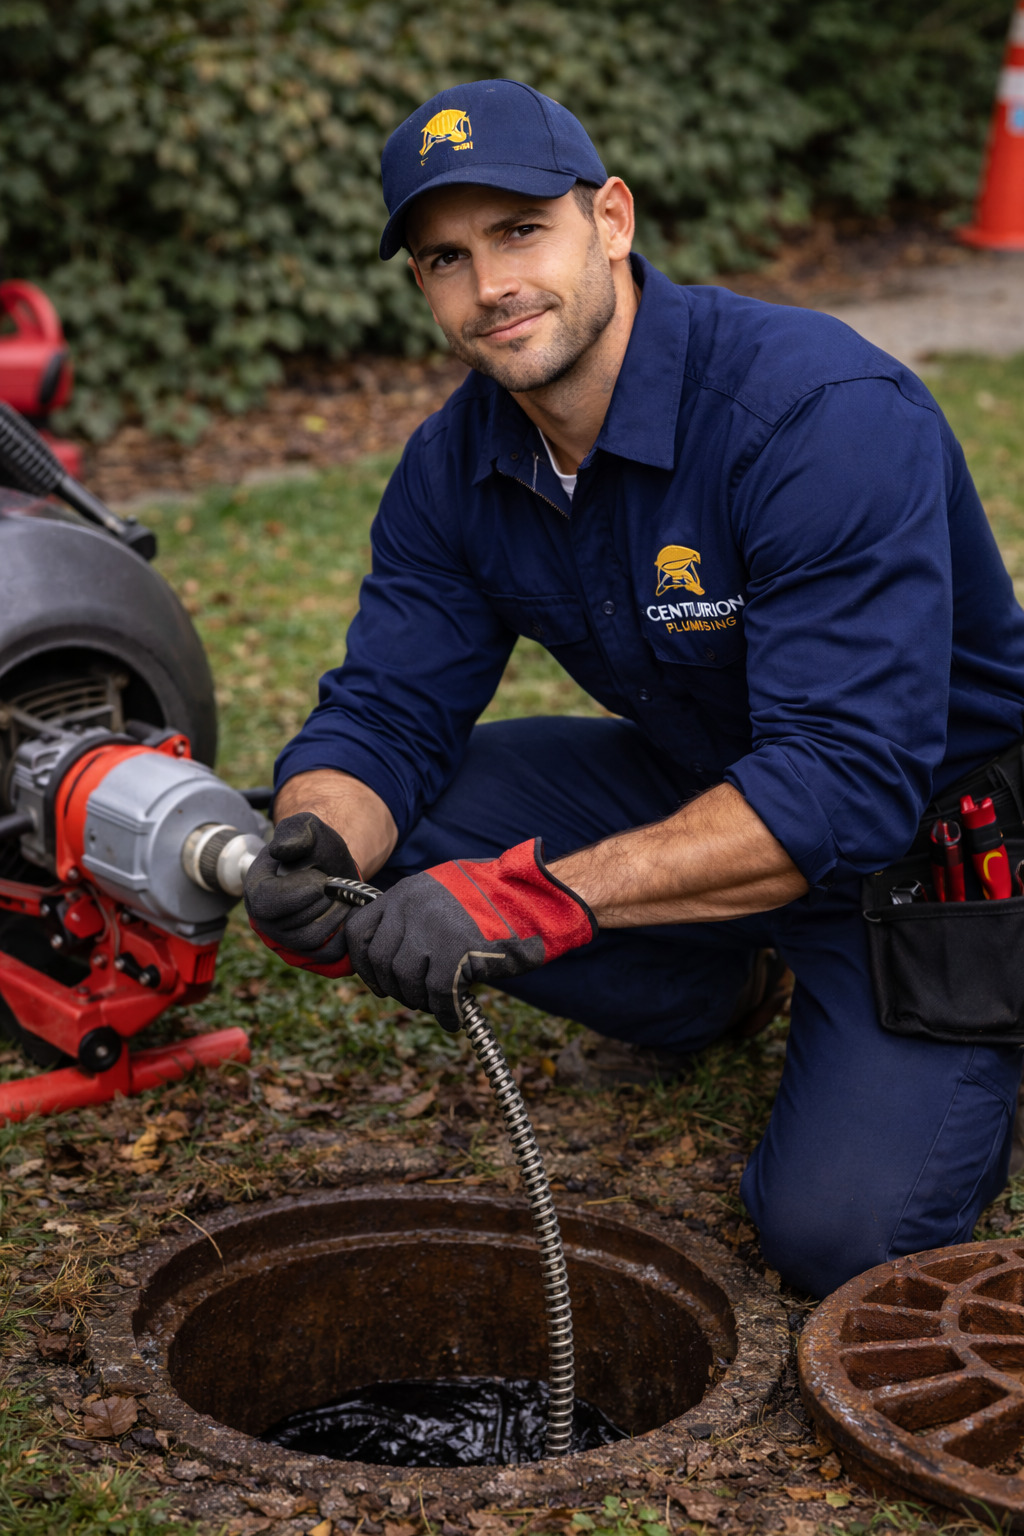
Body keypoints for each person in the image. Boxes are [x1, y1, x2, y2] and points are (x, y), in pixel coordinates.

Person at [243, 78, 1024, 1298]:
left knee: (837, 1238)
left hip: (929, 841)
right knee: (393, 827)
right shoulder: (458, 463)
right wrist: (308, 838)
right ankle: (715, 987)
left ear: (609, 219)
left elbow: (842, 786)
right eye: (446, 257)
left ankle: (957, 1026)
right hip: (708, 784)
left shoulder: (812, 414)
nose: (488, 285)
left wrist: (526, 902)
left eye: (518, 232)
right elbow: (388, 710)